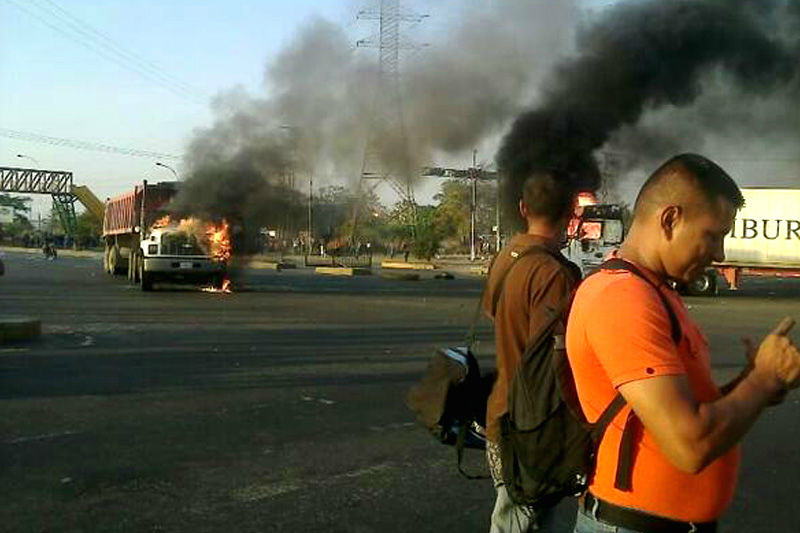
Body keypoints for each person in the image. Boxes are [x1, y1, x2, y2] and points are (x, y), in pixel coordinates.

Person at [566, 153, 800, 533]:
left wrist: (755, 380)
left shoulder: (656, 292)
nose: (720, 253)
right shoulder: (623, 299)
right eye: (713, 235)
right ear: (670, 219)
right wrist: (764, 380)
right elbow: (690, 445)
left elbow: (692, 407)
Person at [483, 170, 582, 532]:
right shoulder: (556, 274)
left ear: (523, 207)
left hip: (500, 412)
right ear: (572, 214)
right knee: (525, 522)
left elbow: (497, 318)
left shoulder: (504, 259)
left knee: (514, 516)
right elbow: (556, 357)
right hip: (533, 425)